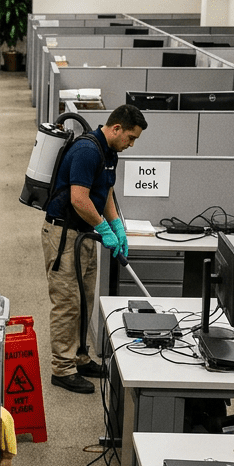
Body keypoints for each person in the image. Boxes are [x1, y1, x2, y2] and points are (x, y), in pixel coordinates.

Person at [41, 103, 147, 394]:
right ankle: (62, 369)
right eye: (131, 138)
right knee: (66, 302)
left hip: (85, 235)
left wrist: (116, 226)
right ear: (116, 129)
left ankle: (79, 356)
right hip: (64, 234)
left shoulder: (110, 152)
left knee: (85, 299)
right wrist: (103, 228)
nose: (132, 144)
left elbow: (106, 192)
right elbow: (79, 199)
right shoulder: (88, 151)